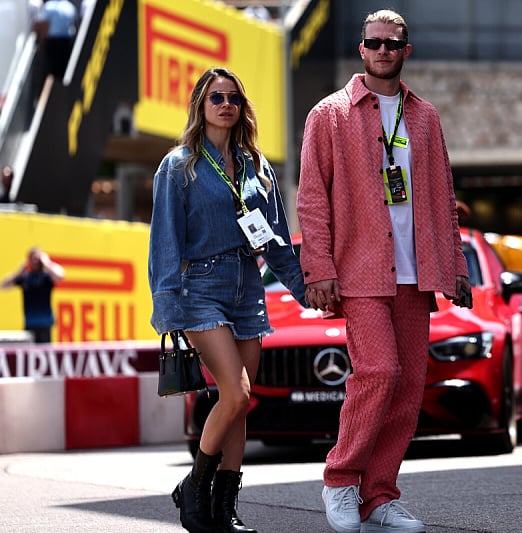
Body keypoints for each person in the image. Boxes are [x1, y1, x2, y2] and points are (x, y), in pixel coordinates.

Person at [296, 9, 472, 533]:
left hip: (416, 273)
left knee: (408, 385)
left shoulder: (425, 116)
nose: (383, 50)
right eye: (374, 42)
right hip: (360, 269)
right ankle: (340, 479)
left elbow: (443, 195)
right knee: (379, 371)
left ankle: (380, 496)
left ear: (406, 50)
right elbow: (311, 199)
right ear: (362, 48)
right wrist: (318, 268)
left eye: (393, 43)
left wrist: (455, 264)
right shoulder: (328, 115)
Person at [147, 67, 306, 533]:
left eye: (233, 97)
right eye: (216, 97)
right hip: (200, 288)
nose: (225, 104)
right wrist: (168, 306)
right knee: (234, 392)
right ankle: (193, 488)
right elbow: (164, 243)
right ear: (200, 104)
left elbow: (276, 240)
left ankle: (224, 508)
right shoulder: (179, 165)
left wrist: (304, 290)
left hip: (248, 286)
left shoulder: (258, 165)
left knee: (239, 404)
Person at [0, 247, 65, 343]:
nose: (35, 261)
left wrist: (46, 262)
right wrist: (19, 271)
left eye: (37, 258)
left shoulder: (47, 277)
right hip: (30, 324)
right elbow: (3, 285)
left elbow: (60, 276)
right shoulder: (25, 277)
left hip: (45, 324)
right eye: (32, 258)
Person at [38, 0, 78, 80]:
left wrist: (42, 41)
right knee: (63, 68)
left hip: (52, 41)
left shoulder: (49, 6)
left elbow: (44, 25)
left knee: (51, 69)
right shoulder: (69, 6)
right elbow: (74, 23)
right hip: (65, 41)